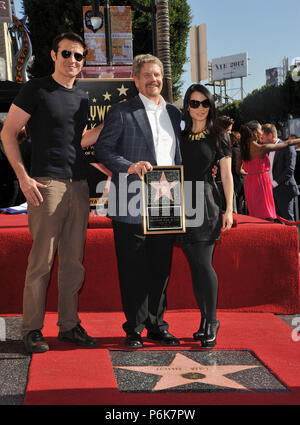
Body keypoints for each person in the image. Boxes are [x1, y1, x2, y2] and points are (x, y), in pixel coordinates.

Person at [1, 32, 101, 353]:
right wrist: (24, 178)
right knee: (41, 262)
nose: (73, 60)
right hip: (46, 186)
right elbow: (8, 133)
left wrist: (109, 124)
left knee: (74, 263)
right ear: (53, 55)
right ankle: (31, 329)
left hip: (79, 185)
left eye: (79, 56)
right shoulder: (36, 89)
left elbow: (78, 141)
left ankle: (69, 326)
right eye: (67, 54)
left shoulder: (83, 98)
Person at [95, 54, 182, 349]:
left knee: (160, 266)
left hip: (166, 198)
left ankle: (157, 325)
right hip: (130, 199)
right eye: (147, 75)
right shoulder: (122, 112)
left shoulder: (174, 113)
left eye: (157, 74)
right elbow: (103, 150)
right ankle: (133, 328)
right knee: (132, 268)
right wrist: (129, 166)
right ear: (135, 79)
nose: (153, 79)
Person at [179, 84, 234, 348]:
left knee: (203, 263)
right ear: (186, 106)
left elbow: (226, 175)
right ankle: (204, 320)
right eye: (194, 103)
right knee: (195, 267)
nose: (199, 108)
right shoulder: (179, 135)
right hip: (180, 204)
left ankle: (212, 320)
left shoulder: (218, 134)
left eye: (204, 103)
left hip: (205, 202)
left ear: (211, 106)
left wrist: (230, 209)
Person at [236, 121, 300, 221]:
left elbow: (238, 170)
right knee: (266, 214)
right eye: (260, 130)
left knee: (256, 215)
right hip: (262, 182)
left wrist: (250, 174)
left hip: (250, 184)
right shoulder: (262, 148)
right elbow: (288, 143)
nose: (262, 133)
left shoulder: (242, 151)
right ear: (255, 133)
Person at [261, 124, 300, 221]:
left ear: (270, 135)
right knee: (277, 222)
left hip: (284, 189)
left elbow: (289, 170)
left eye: (263, 137)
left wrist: (274, 184)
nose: (261, 140)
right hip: (271, 191)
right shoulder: (267, 149)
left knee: (288, 220)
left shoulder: (287, 146)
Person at [230, 131, 246, 214]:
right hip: (240, 181)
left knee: (237, 208)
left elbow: (236, 168)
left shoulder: (234, 151)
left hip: (236, 182)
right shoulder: (240, 150)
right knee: (240, 206)